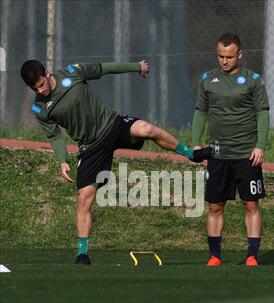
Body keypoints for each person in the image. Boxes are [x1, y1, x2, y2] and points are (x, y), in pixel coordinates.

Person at [21, 59, 212, 265]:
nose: (40, 90)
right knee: (84, 198)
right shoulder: (39, 108)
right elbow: (55, 136)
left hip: (112, 125)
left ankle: (191, 154)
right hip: (90, 147)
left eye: (41, 84)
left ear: (47, 74)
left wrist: (137, 67)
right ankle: (82, 254)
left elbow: (105, 69)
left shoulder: (72, 73)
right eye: (35, 88)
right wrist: (62, 161)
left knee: (148, 130)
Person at [191, 32, 270, 266]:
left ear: (240, 54)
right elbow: (200, 112)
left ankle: (252, 256)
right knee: (215, 206)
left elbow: (262, 114)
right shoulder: (207, 79)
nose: (224, 61)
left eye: (229, 56)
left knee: (251, 204)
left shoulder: (254, 80)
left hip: (247, 155)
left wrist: (260, 146)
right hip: (217, 154)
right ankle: (215, 255)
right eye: (220, 56)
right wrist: (196, 141)